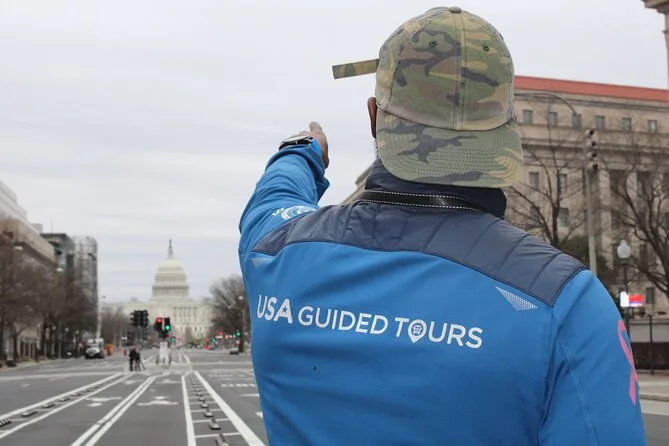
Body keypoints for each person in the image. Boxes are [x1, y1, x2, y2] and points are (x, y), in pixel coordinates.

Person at [238, 7, 647, 445]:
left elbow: (272, 199)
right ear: (507, 130)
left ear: (374, 118)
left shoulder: (275, 251)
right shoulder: (567, 303)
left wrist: (301, 152)